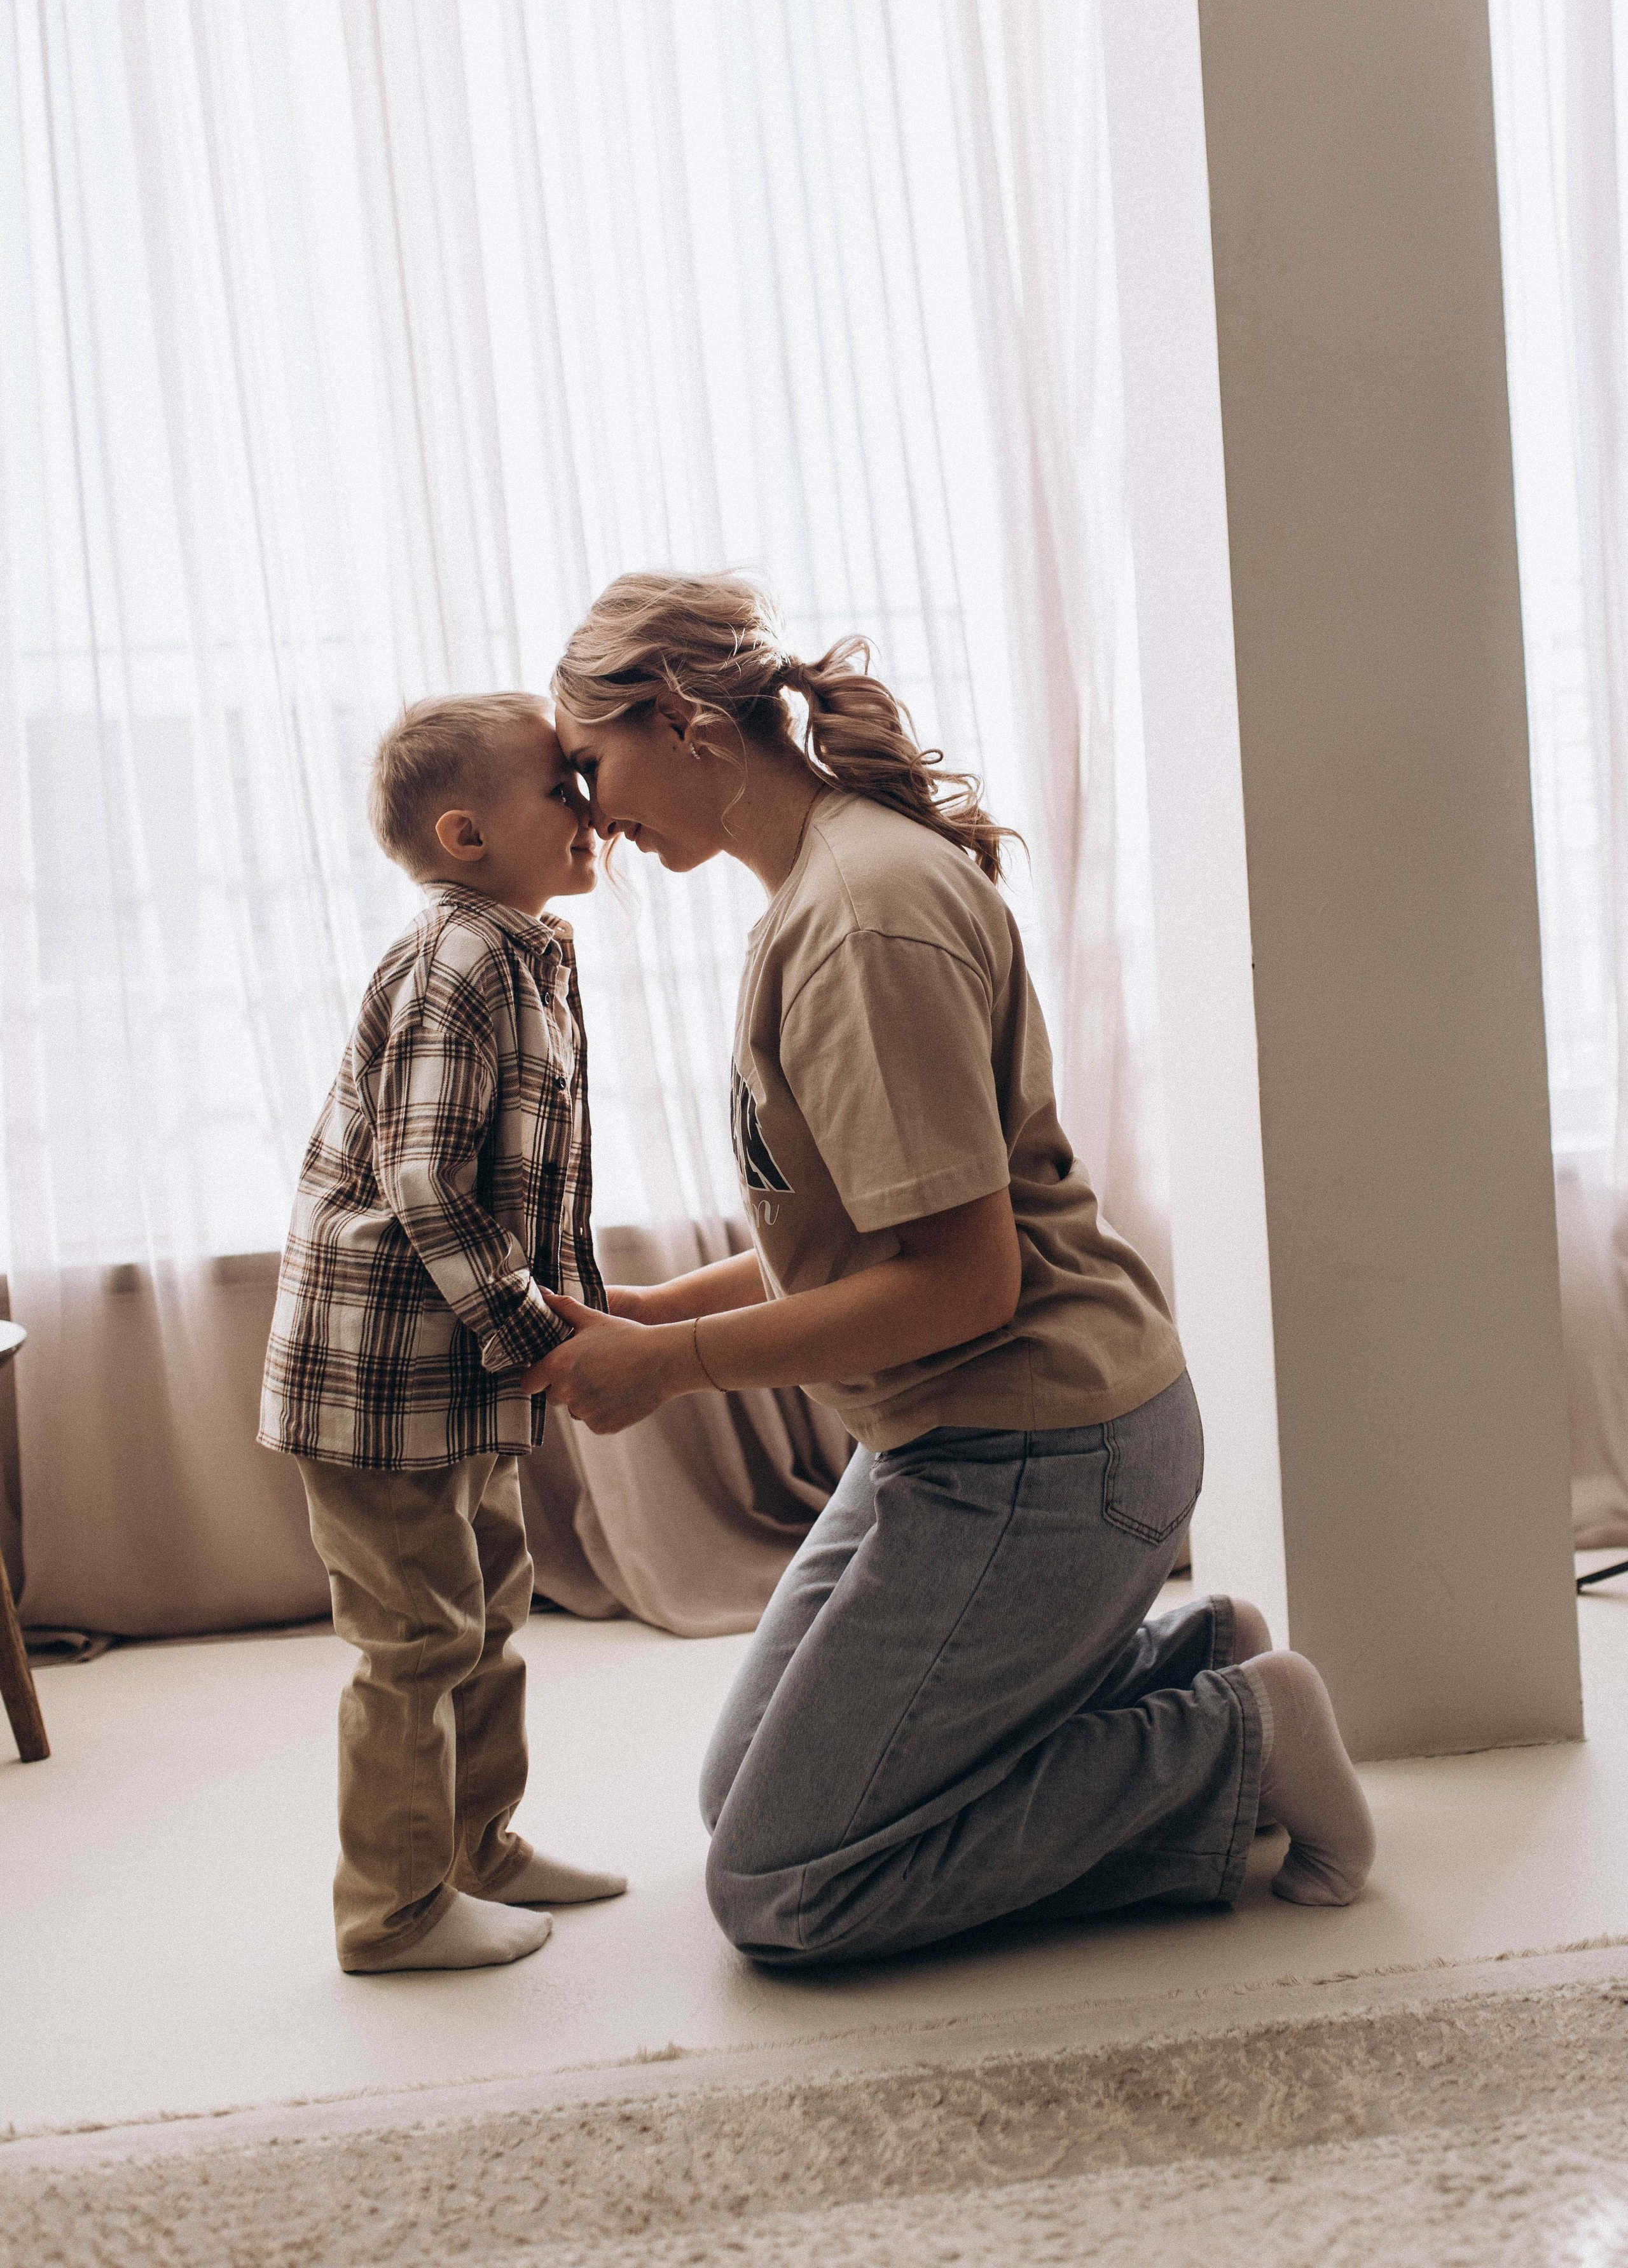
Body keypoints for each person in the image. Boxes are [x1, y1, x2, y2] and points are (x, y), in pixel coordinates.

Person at [528, 570, 1376, 1969]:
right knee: (739, 1801)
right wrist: (645, 1313)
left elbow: (963, 1288)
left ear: (682, 721)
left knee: (782, 1890)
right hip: (951, 1439)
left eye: (587, 761)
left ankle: (1232, 1741)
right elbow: (857, 1236)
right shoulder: (821, 886)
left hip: (1041, 1444)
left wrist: (669, 1369)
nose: (586, 810)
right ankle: (1192, 1654)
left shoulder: (861, 917)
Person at [259, 693, 627, 1974]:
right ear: (467, 835)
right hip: (381, 1378)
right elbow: (426, 1179)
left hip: (456, 1373)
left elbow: (535, 1178)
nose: (592, 810)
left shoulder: (527, 953)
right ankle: (392, 1909)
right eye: (559, 790)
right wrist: (537, 1332)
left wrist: (570, 1308)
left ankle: (476, 1845)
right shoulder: (458, 963)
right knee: (414, 1637)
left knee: (487, 1607)